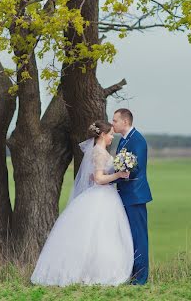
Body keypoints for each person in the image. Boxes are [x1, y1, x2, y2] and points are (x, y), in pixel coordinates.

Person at [31, 120, 133, 286]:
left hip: (103, 195)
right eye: (110, 134)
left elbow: (93, 176)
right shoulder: (99, 152)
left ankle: (91, 270)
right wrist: (118, 175)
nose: (112, 137)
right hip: (102, 196)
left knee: (100, 234)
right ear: (102, 134)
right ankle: (97, 272)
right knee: (101, 234)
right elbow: (99, 178)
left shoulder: (97, 151)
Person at [112, 108, 152, 285]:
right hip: (125, 194)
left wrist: (121, 169)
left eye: (115, 121)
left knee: (139, 236)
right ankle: (131, 273)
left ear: (125, 122)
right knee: (128, 236)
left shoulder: (138, 140)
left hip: (135, 195)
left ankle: (141, 278)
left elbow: (136, 167)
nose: (112, 124)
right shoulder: (123, 140)